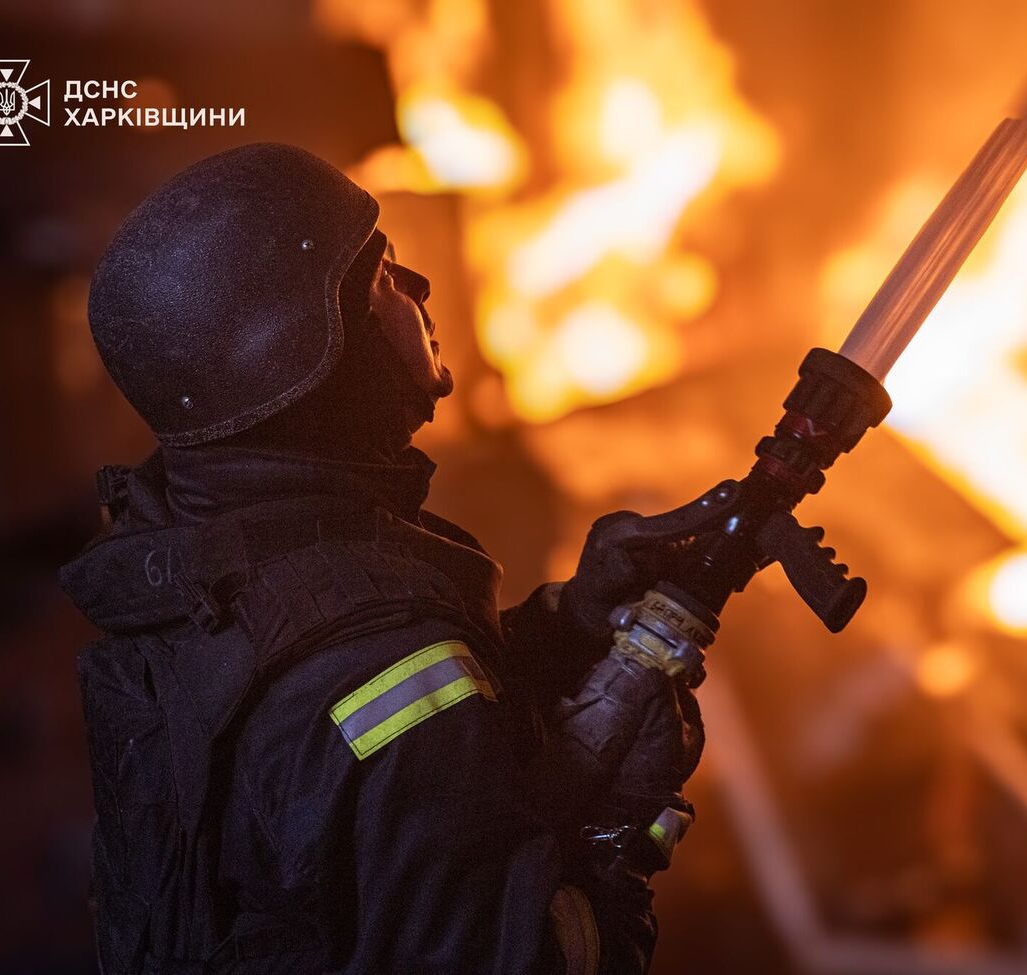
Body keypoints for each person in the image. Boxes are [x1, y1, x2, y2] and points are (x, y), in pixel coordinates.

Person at [60, 143, 703, 975]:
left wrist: (569, 625)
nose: (424, 292)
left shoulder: (196, 575)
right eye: (386, 276)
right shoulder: (380, 661)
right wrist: (624, 824)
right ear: (311, 354)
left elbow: (347, 776)